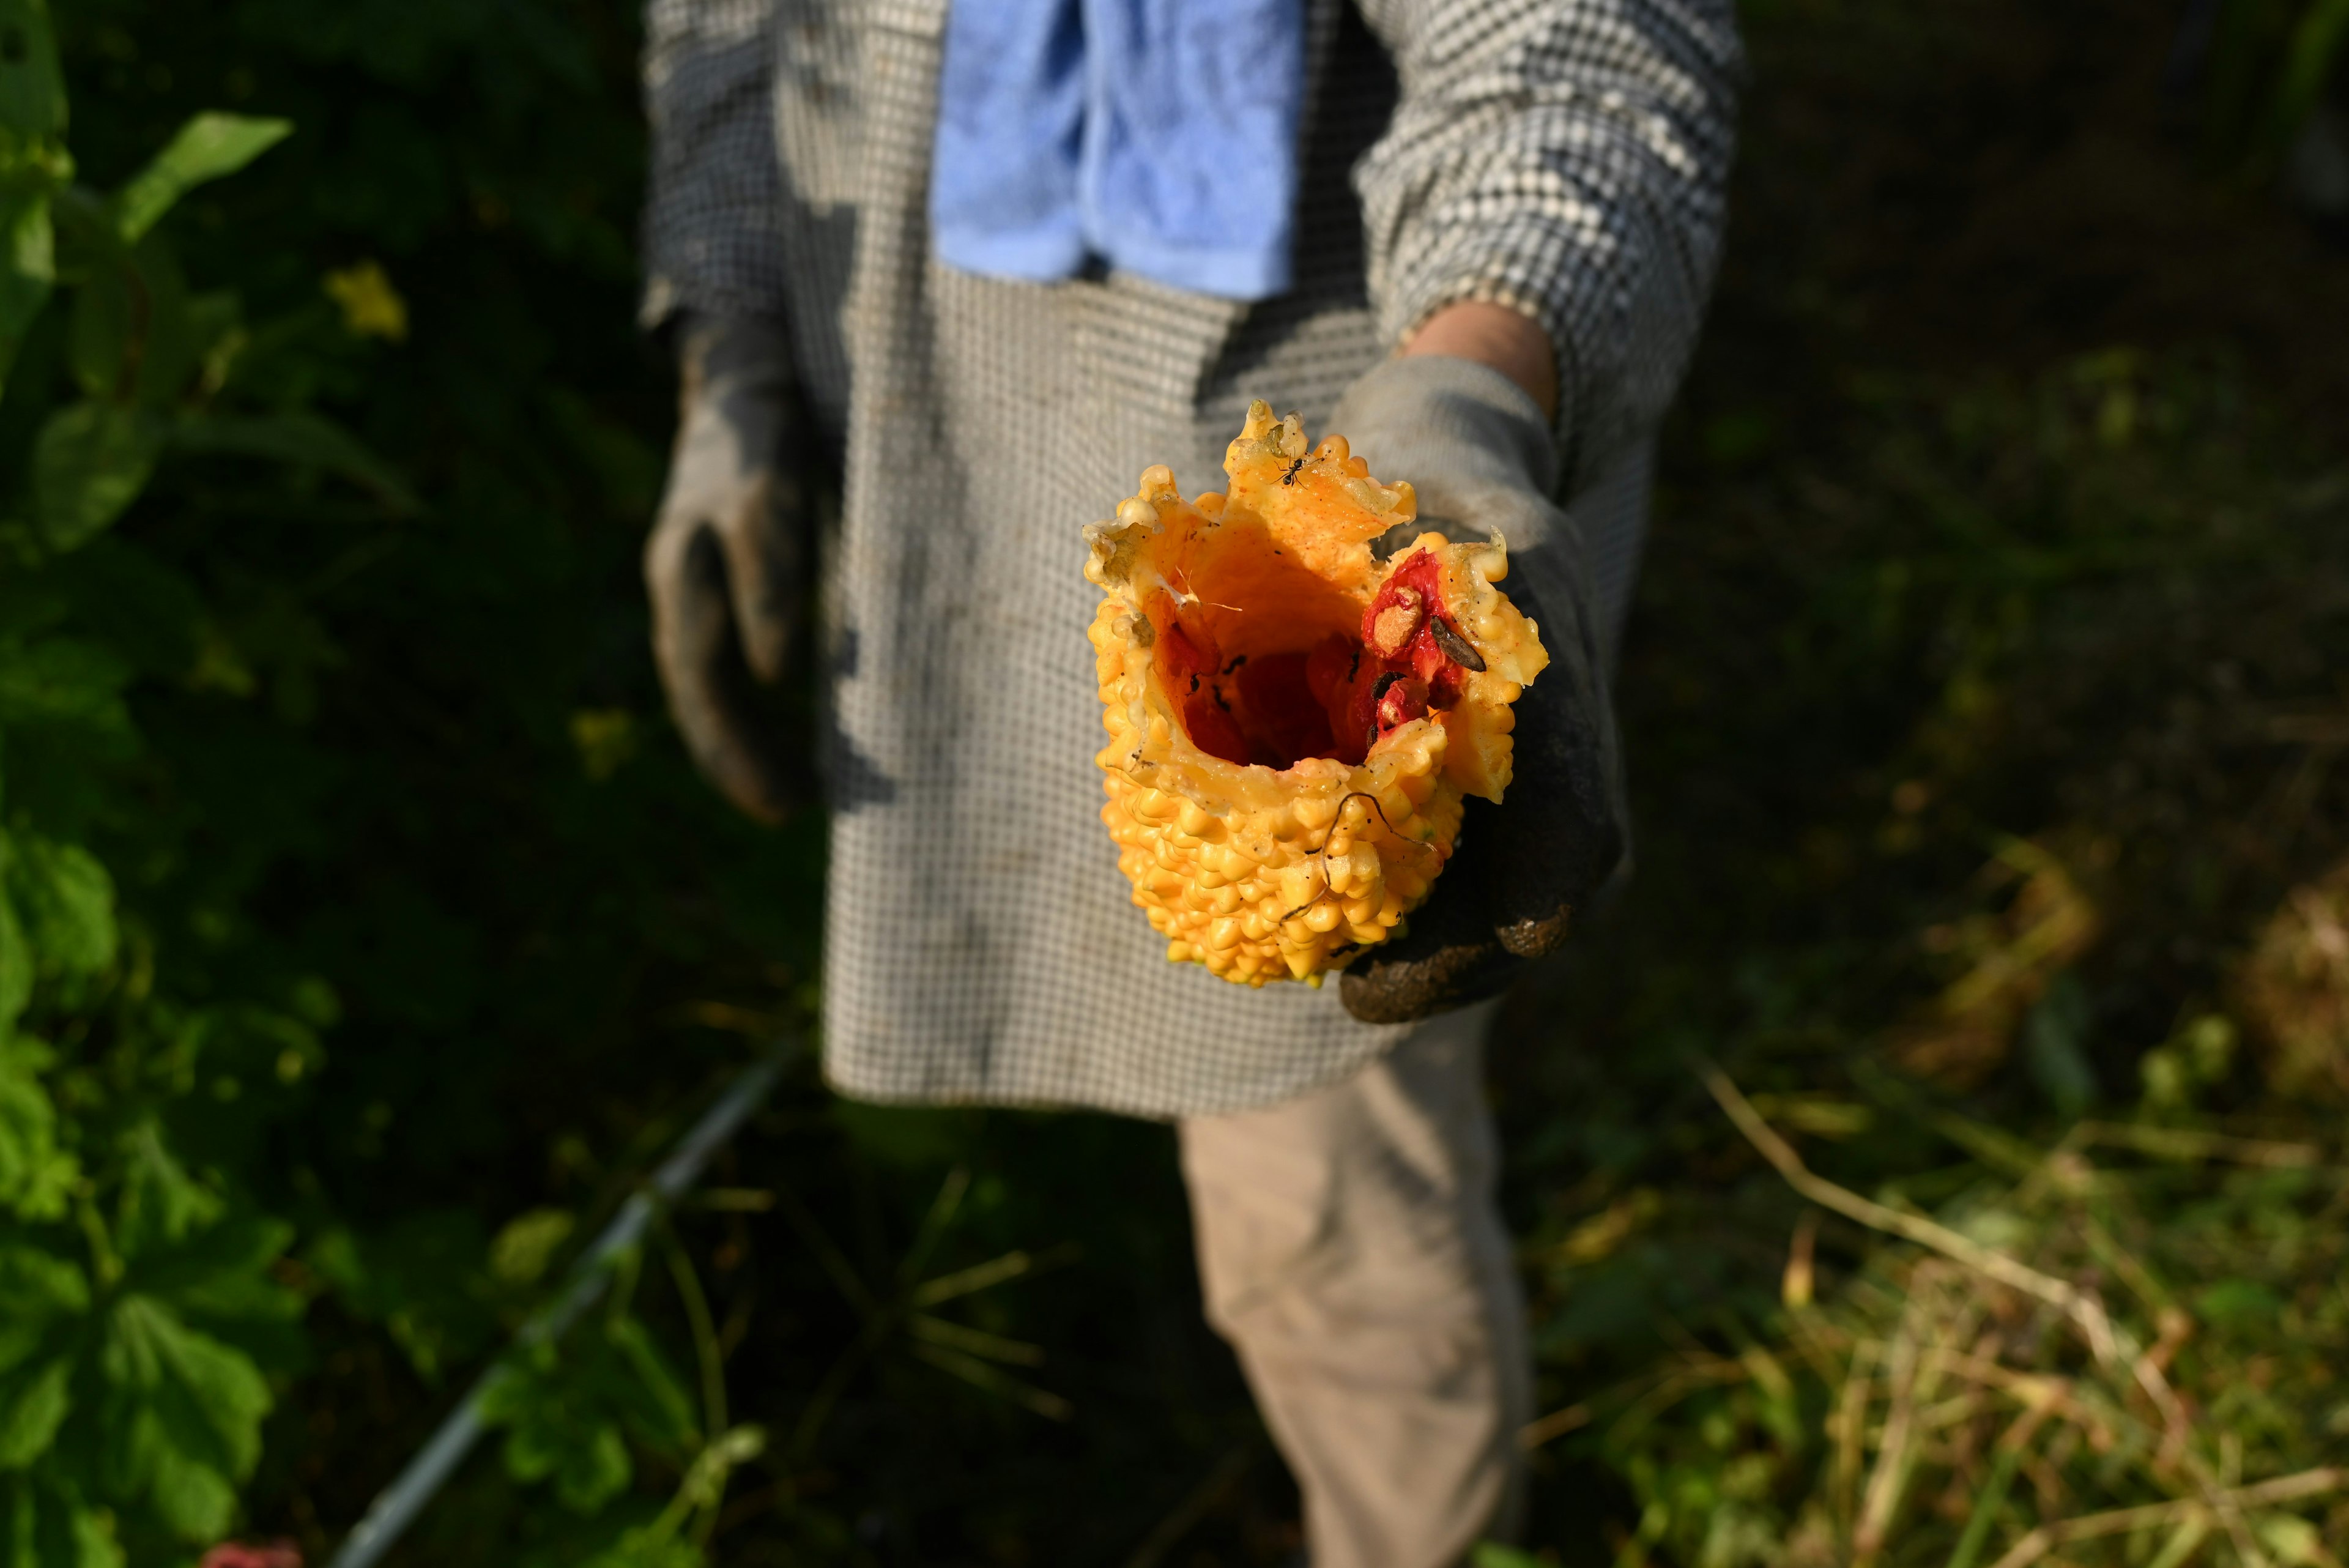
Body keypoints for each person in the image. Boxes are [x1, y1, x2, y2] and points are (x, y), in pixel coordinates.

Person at [637, 0, 1739, 1560]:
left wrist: (1475, 391)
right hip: (939, 451)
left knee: (1327, 1203)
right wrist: (728, 334)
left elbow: (1571, 55)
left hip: (1348, 527)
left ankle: (1406, 1531)